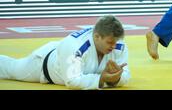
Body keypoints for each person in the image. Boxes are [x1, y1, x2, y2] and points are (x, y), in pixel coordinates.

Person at [0, 15, 130, 89]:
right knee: (11, 69)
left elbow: (126, 76)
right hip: (42, 65)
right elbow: (73, 81)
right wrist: (102, 79)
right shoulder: (76, 47)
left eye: (115, 42)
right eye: (109, 42)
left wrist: (116, 79)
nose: (113, 46)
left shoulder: (119, 45)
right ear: (96, 36)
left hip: (64, 55)